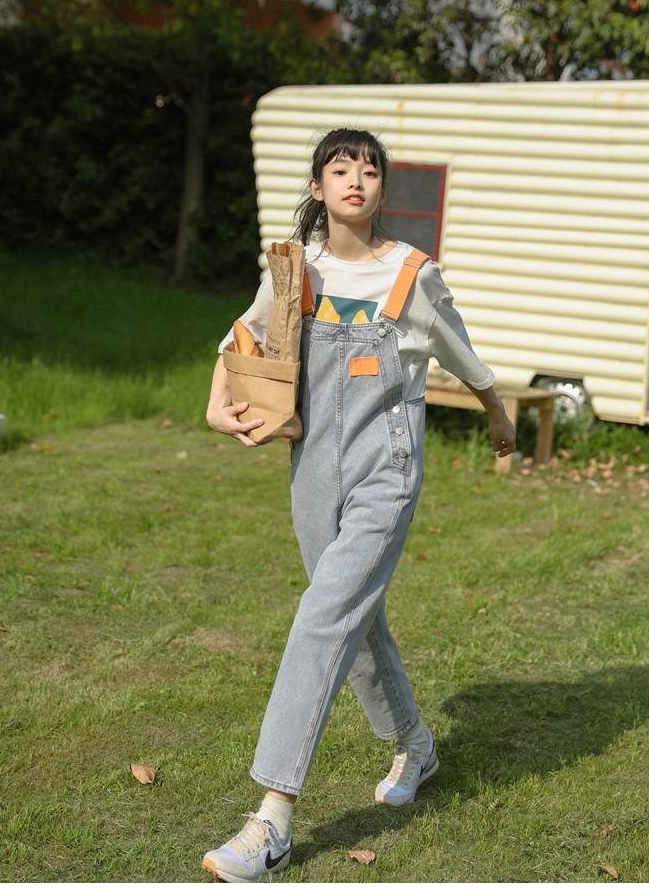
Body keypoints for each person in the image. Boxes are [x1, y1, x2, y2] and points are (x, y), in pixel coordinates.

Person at [203, 128, 516, 882]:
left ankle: (271, 819)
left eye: (370, 170)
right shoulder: (295, 270)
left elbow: (461, 351)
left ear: (380, 189)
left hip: (386, 473)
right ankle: (416, 743)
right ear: (318, 188)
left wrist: (497, 413)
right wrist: (217, 403)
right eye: (340, 168)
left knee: (324, 615)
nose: (356, 179)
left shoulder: (412, 273)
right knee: (353, 614)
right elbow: (243, 334)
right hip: (311, 468)